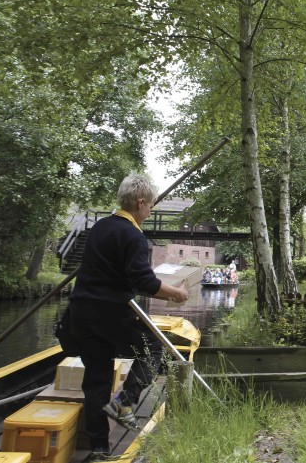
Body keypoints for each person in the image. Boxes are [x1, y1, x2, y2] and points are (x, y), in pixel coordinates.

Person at [69, 174, 189, 461]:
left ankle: (99, 449)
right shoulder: (133, 235)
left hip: (81, 313)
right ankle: (124, 401)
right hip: (113, 313)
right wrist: (177, 293)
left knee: (96, 379)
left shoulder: (100, 227)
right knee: (153, 350)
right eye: (150, 207)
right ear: (139, 203)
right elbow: (145, 282)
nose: (150, 212)